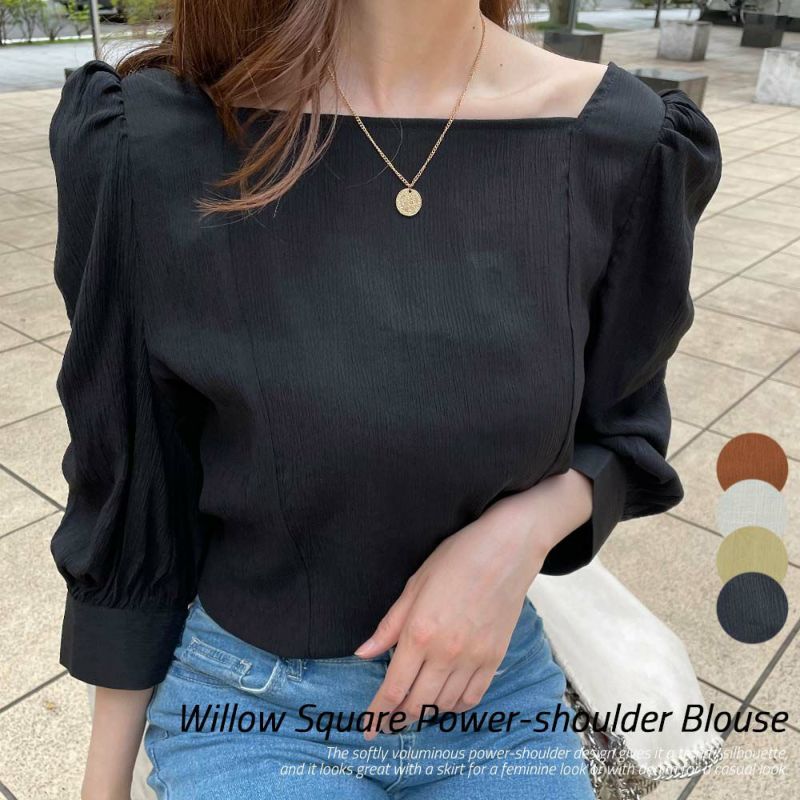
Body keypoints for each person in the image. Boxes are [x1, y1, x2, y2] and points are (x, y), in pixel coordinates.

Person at [48, 1, 722, 798]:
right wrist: (102, 786)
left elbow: (622, 434)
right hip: (256, 709)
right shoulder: (154, 139)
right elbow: (135, 490)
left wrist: (522, 534)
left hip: (495, 696)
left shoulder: (628, 141)